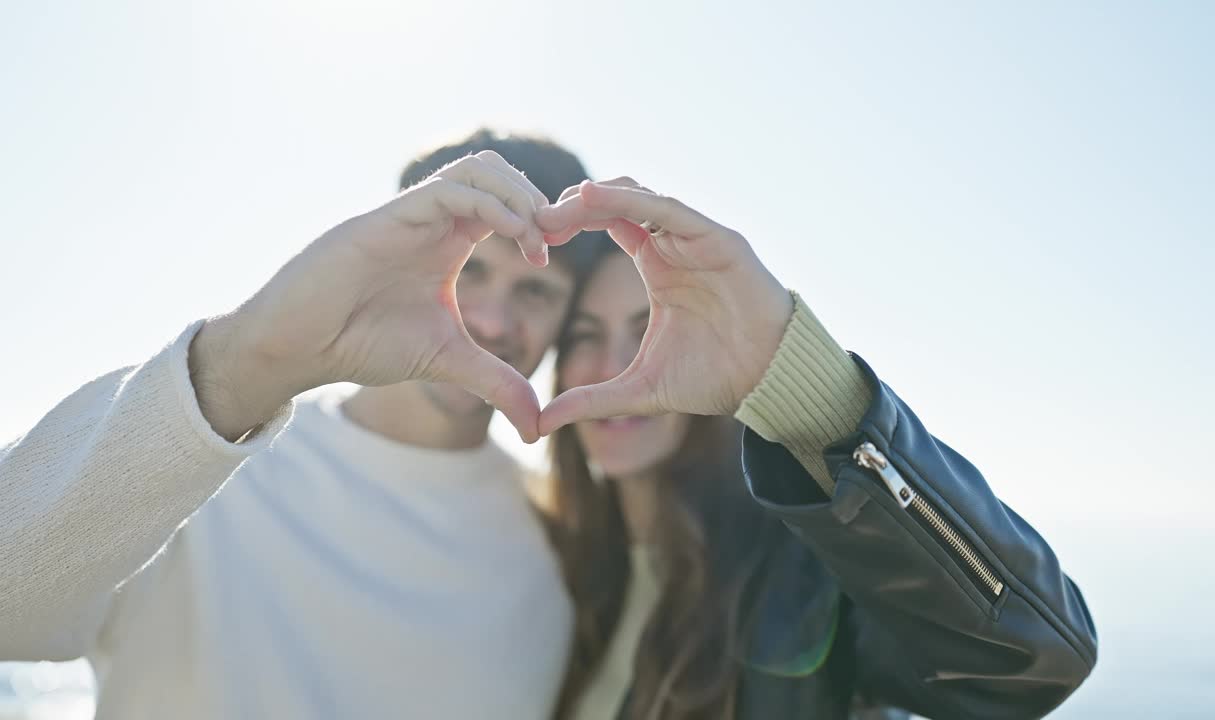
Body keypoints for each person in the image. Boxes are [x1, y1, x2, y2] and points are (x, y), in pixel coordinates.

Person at [0, 130, 604, 719]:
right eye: (468, 272)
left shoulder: (561, 539)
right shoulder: (206, 461)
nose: (492, 321)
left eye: (534, 290)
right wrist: (244, 363)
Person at [531, 178, 1098, 719]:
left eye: (648, 328)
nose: (612, 365)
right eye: (584, 335)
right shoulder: (553, 558)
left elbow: (1032, 665)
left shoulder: (800, 575)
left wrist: (805, 385)